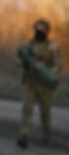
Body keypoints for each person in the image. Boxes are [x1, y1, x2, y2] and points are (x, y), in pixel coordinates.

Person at [16, 19, 62, 148]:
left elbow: (58, 65)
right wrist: (27, 65)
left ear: (47, 32)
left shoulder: (53, 47)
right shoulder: (28, 45)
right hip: (30, 82)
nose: (38, 32)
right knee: (27, 109)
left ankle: (46, 134)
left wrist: (46, 70)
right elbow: (20, 61)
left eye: (42, 30)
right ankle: (24, 134)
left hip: (45, 85)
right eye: (37, 29)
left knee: (45, 111)